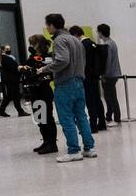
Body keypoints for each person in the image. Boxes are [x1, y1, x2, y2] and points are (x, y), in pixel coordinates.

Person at [39, 13, 96, 161]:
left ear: (52, 25)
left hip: (65, 84)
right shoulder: (75, 40)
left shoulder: (59, 40)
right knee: (82, 116)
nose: (47, 28)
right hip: (79, 82)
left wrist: (44, 69)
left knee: (66, 118)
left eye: (47, 25)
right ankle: (89, 148)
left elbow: (63, 60)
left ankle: (73, 151)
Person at [22, 34, 58, 154]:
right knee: (39, 118)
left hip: (43, 90)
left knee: (47, 117)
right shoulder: (33, 56)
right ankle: (46, 141)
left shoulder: (48, 57)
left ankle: (52, 143)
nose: (31, 46)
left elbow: (48, 73)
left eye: (33, 44)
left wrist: (33, 70)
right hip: (34, 90)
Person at [70, 25, 107, 132]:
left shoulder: (82, 45)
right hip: (95, 75)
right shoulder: (92, 43)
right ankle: (102, 123)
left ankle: (93, 125)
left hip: (87, 76)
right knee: (97, 99)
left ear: (76, 34)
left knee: (90, 101)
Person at [97, 23, 124, 124]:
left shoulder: (107, 45)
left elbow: (107, 62)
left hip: (110, 75)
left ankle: (112, 116)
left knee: (110, 97)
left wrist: (104, 74)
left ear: (100, 32)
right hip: (114, 73)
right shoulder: (113, 43)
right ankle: (111, 115)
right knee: (112, 96)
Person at [0, 45, 27, 117]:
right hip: (12, 79)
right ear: (3, 50)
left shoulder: (2, 58)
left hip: (9, 79)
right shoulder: (6, 58)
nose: (9, 50)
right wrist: (20, 68)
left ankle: (1, 110)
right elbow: (13, 68)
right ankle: (20, 111)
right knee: (16, 95)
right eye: (7, 49)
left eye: (9, 49)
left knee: (9, 96)